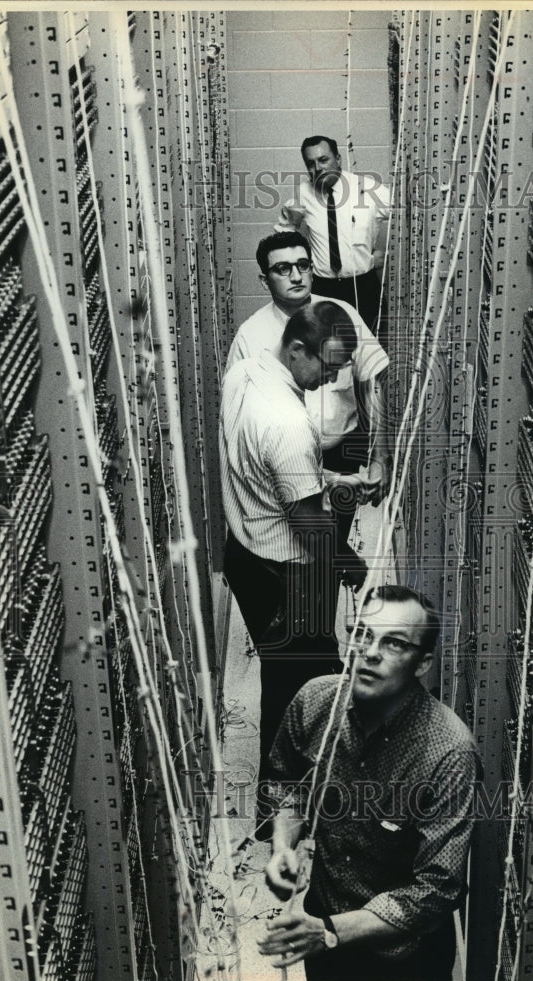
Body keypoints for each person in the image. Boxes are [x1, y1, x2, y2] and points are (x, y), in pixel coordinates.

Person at [259, 584, 480, 981]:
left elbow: (436, 889)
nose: (370, 651)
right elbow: (285, 785)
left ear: (423, 663)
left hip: (404, 962)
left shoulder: (449, 752)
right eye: (362, 633)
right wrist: (281, 847)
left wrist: (331, 932)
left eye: (394, 643)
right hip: (322, 927)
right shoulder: (314, 701)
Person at [219, 299, 373, 825]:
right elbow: (308, 524)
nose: (331, 378)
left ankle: (283, 802)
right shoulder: (289, 422)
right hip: (283, 571)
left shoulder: (245, 372)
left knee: (298, 675)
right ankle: (282, 810)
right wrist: (353, 566)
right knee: (303, 691)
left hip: (243, 553)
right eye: (326, 366)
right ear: (297, 348)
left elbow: (264, 472)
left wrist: (332, 480)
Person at [226, 232, 393, 603]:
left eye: (303, 265)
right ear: (264, 278)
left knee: (327, 554)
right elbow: (239, 422)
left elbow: (374, 382)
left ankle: (319, 629)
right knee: (298, 557)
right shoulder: (250, 337)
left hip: (340, 454)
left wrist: (380, 457)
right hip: (278, 474)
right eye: (283, 269)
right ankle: (305, 639)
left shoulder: (341, 314)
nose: (297, 276)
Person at [274, 135, 391, 331]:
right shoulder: (303, 193)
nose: (318, 168)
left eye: (323, 160)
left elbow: (407, 218)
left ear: (338, 159)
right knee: (324, 351)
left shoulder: (368, 190)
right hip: (323, 289)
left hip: (364, 287)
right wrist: (297, 268)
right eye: (310, 163)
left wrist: (385, 255)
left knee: (371, 352)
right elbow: (284, 233)